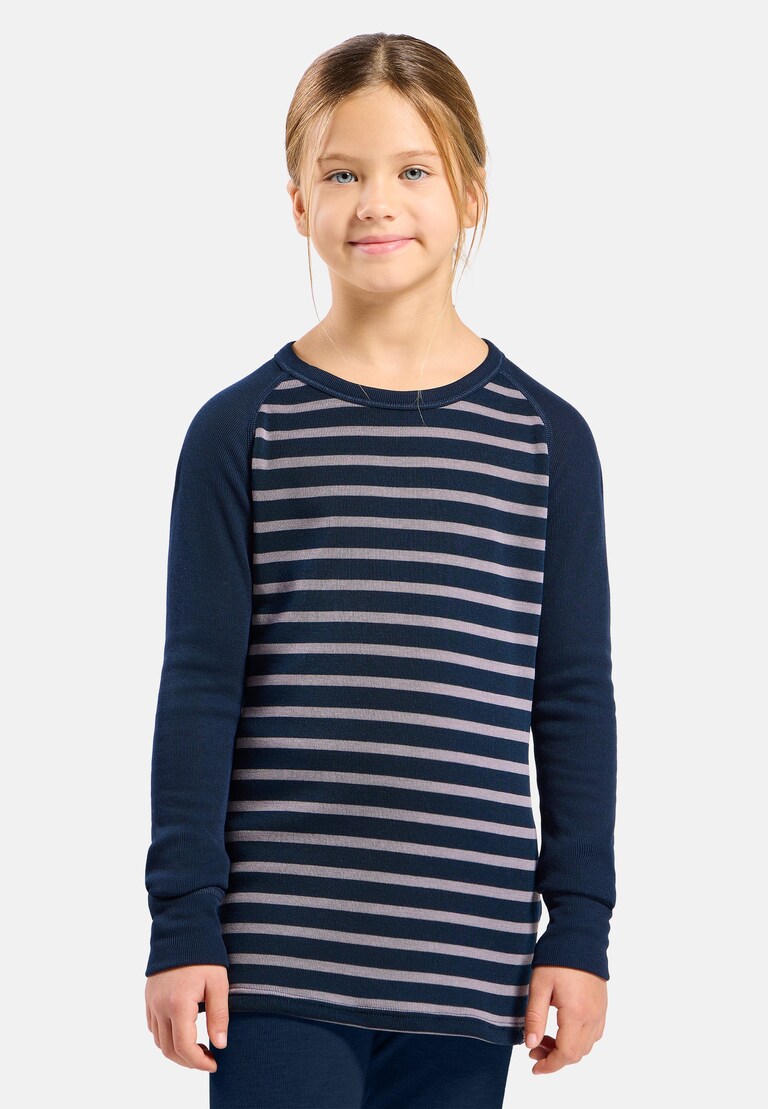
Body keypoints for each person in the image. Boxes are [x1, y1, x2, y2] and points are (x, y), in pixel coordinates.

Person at [143, 31, 618, 1109]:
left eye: (413, 170)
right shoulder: (242, 430)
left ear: (471, 194)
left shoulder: (547, 441)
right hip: (275, 957)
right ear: (296, 202)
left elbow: (572, 696)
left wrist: (579, 925)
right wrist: (182, 922)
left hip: (468, 961)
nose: (376, 204)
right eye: (342, 174)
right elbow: (200, 687)